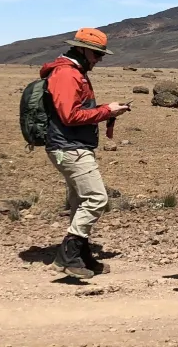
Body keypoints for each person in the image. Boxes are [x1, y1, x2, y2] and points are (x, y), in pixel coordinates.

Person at [39, 28, 130, 279]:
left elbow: (75, 110)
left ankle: (83, 257)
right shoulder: (67, 75)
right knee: (96, 199)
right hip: (69, 148)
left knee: (80, 202)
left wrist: (107, 110)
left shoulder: (73, 72)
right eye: (97, 54)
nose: (99, 59)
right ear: (83, 50)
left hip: (70, 146)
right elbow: (70, 116)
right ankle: (67, 256)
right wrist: (106, 112)